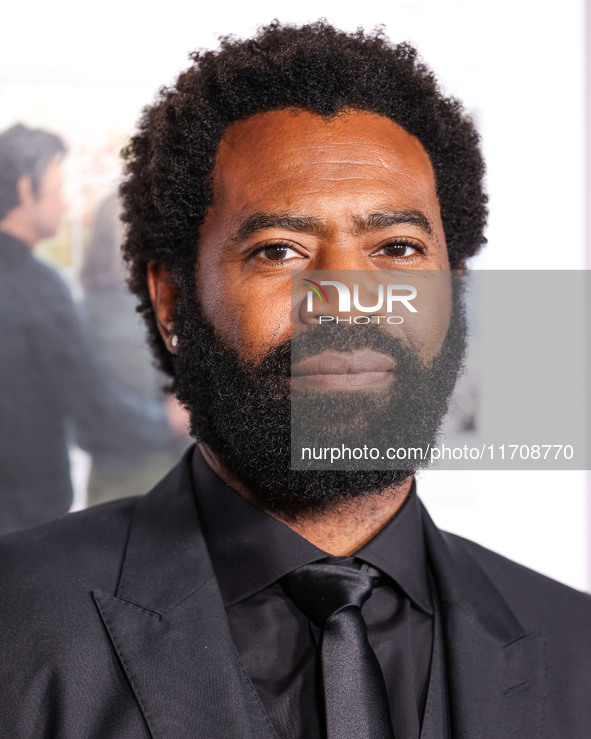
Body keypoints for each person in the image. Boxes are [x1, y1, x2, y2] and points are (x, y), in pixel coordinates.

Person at [1, 23, 590, 738]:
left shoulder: (575, 648)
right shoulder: (16, 624)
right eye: (279, 250)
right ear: (171, 302)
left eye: (397, 248)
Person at [0, 124, 177, 533]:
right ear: (27, 189)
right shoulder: (38, 287)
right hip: (23, 522)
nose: (65, 206)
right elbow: (93, 410)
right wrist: (168, 422)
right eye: (59, 189)